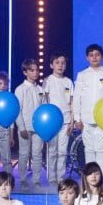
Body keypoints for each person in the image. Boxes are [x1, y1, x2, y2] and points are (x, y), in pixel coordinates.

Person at [73, 43, 103, 175]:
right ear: (87, 57)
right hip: (86, 118)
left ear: (102, 57)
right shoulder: (82, 75)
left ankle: (100, 179)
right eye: (91, 55)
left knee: (101, 148)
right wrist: (77, 118)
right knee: (88, 149)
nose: (94, 58)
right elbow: (77, 97)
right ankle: (89, 178)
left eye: (97, 55)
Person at [42, 53, 74, 185]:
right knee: (52, 151)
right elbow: (44, 101)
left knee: (62, 152)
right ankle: (51, 177)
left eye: (63, 63)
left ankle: (61, 177)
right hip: (51, 122)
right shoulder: (47, 81)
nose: (60, 65)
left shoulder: (68, 82)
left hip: (66, 121)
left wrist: (72, 121)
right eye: (57, 62)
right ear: (51, 65)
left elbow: (72, 103)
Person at [14, 59, 44, 190]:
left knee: (37, 154)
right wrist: (21, 127)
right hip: (25, 127)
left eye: (37, 70)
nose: (35, 72)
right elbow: (17, 110)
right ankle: (23, 179)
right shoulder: (20, 89)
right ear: (25, 72)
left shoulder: (40, 88)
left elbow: (43, 108)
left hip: (38, 127)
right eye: (32, 70)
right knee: (24, 154)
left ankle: (37, 180)